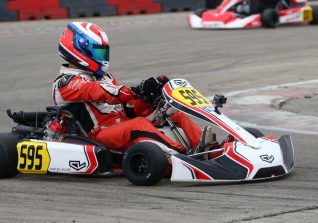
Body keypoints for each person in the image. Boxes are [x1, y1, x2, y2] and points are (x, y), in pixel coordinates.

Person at [52, 21, 215, 155]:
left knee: (174, 114)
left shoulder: (105, 77)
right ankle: (184, 157)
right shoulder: (66, 82)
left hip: (122, 124)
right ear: (79, 50)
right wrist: (132, 91)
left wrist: (145, 96)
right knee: (138, 125)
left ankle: (212, 151)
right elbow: (96, 90)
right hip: (100, 134)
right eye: (98, 53)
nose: (102, 58)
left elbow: (128, 109)